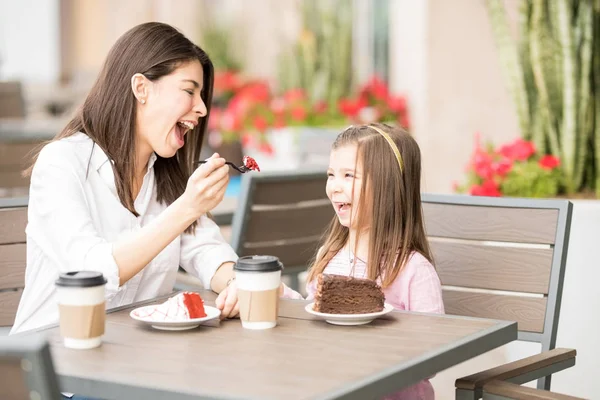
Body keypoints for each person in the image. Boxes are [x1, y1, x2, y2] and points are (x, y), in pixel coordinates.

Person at [10, 22, 241, 336]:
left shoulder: (165, 176)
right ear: (141, 88)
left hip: (135, 362)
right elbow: (91, 273)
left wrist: (236, 283)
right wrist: (187, 207)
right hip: (58, 366)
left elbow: (206, 250)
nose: (201, 109)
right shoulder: (62, 164)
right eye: (189, 91)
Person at [281, 123, 444, 400]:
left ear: (387, 187)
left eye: (348, 176)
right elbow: (313, 323)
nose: (334, 187)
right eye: (331, 175)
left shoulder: (414, 271)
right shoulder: (328, 258)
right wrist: (281, 296)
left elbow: (433, 361)